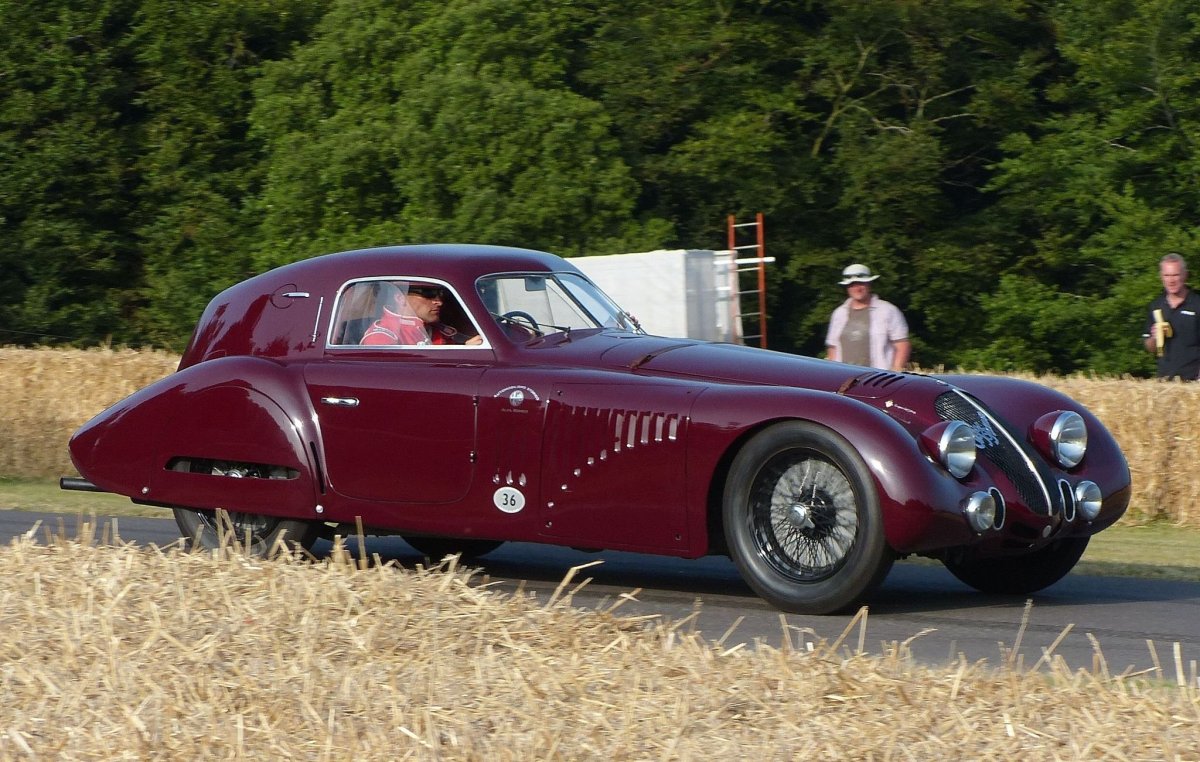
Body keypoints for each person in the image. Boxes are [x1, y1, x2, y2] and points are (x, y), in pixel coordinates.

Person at [825, 263, 910, 371]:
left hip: (878, 378)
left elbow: (901, 344)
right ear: (847, 287)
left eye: (861, 283)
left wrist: (896, 371)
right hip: (843, 378)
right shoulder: (838, 314)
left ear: (869, 284)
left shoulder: (888, 310)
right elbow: (833, 347)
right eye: (852, 285)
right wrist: (832, 372)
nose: (857, 288)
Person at [360, 284, 482, 346]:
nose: (439, 302)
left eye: (440, 294)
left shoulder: (434, 328)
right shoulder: (382, 338)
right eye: (428, 294)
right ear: (400, 298)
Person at [1142, 252, 1200, 380]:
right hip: (1164, 382)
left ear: (1185, 275)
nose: (1171, 280)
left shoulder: (1197, 304)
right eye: (1167, 275)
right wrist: (1154, 338)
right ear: (1161, 277)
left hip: (1193, 383)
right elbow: (1149, 347)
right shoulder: (1156, 306)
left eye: (1175, 275)